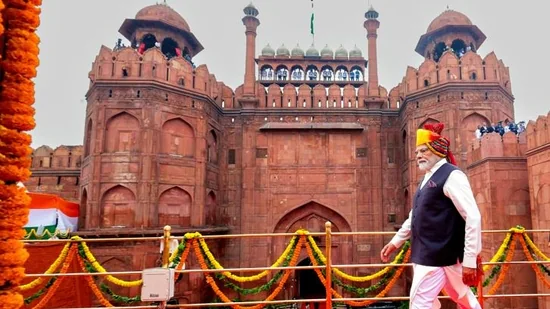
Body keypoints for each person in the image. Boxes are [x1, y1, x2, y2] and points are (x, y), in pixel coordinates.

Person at [380, 123, 482, 309]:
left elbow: (473, 217)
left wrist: (470, 260)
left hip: (436, 256)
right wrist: (396, 241)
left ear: (438, 151)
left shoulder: (452, 176)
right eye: (417, 151)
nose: (418, 155)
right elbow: (416, 214)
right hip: (434, 255)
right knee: (465, 299)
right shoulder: (427, 177)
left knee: (420, 302)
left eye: (423, 150)